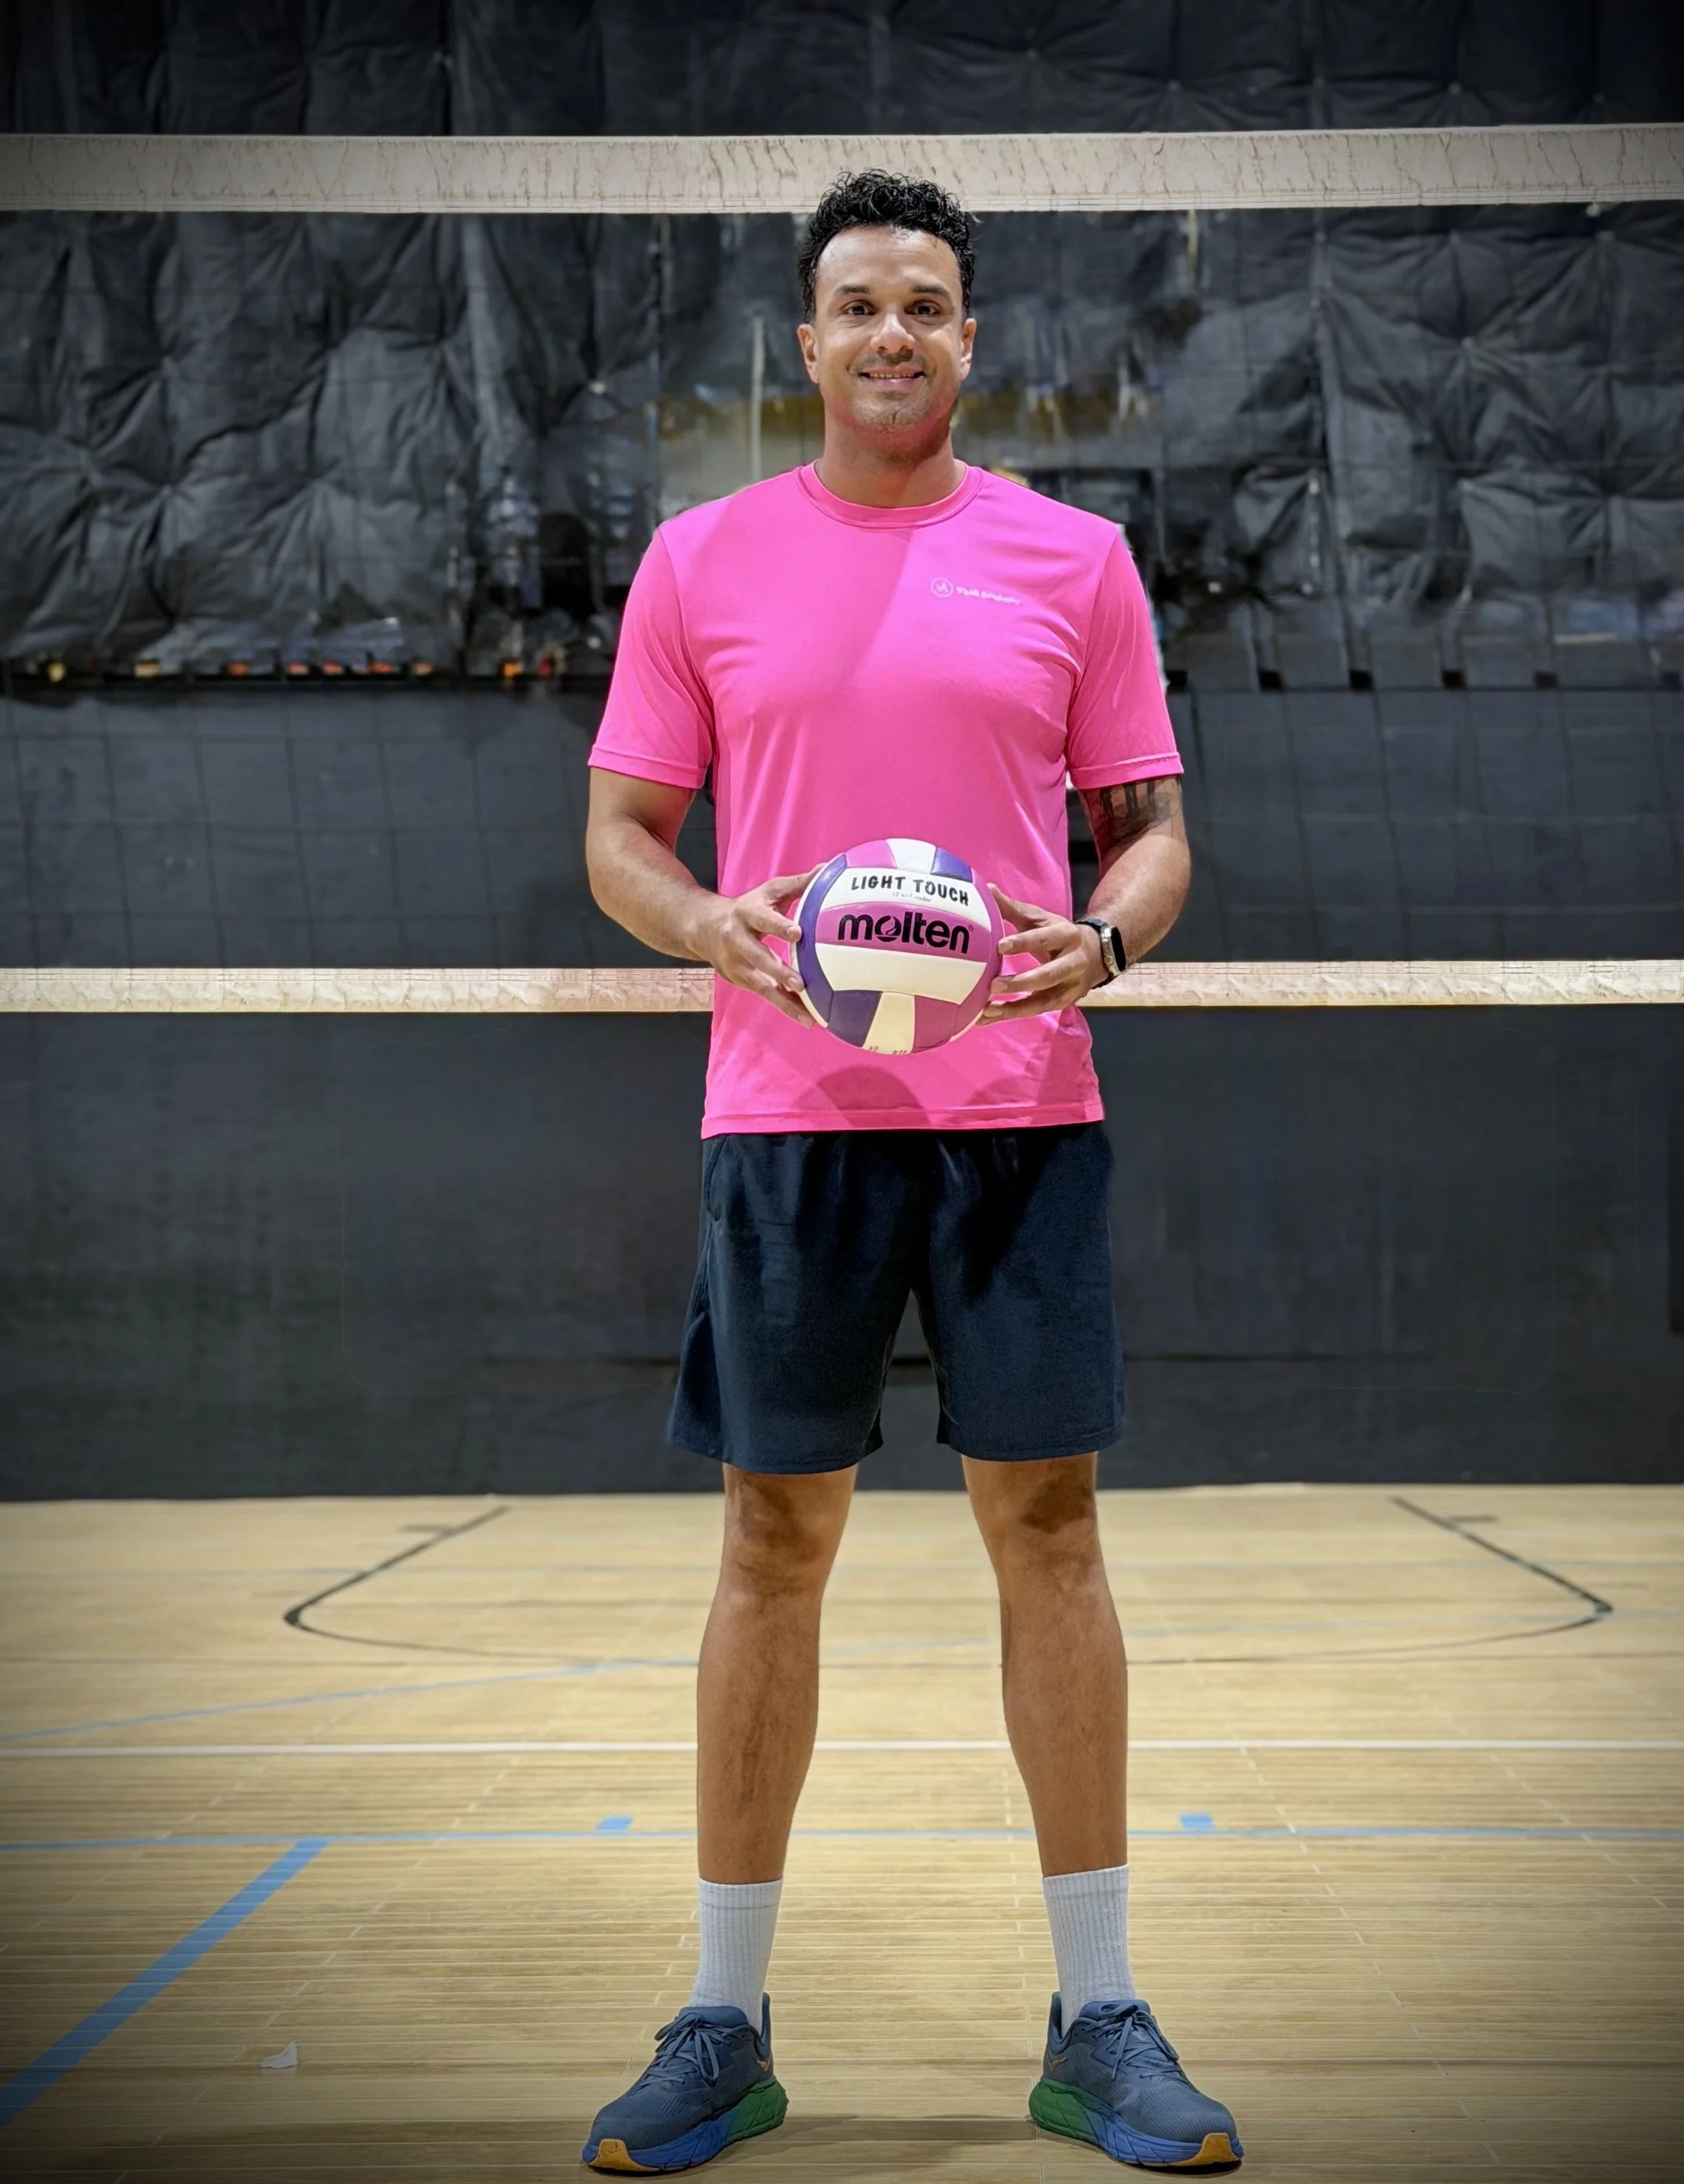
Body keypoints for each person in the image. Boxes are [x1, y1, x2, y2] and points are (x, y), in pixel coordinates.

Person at [579, 170, 1243, 2175]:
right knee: (767, 1548)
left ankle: (1099, 2013)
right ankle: (719, 2020)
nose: (892, 335)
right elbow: (622, 834)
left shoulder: (1072, 563)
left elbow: (1152, 833)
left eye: (927, 306)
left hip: (1018, 1112)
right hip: (786, 1119)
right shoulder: (699, 563)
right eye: (856, 304)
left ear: (971, 340)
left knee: (1049, 1533)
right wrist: (705, 928)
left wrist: (1106, 939)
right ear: (804, 342)